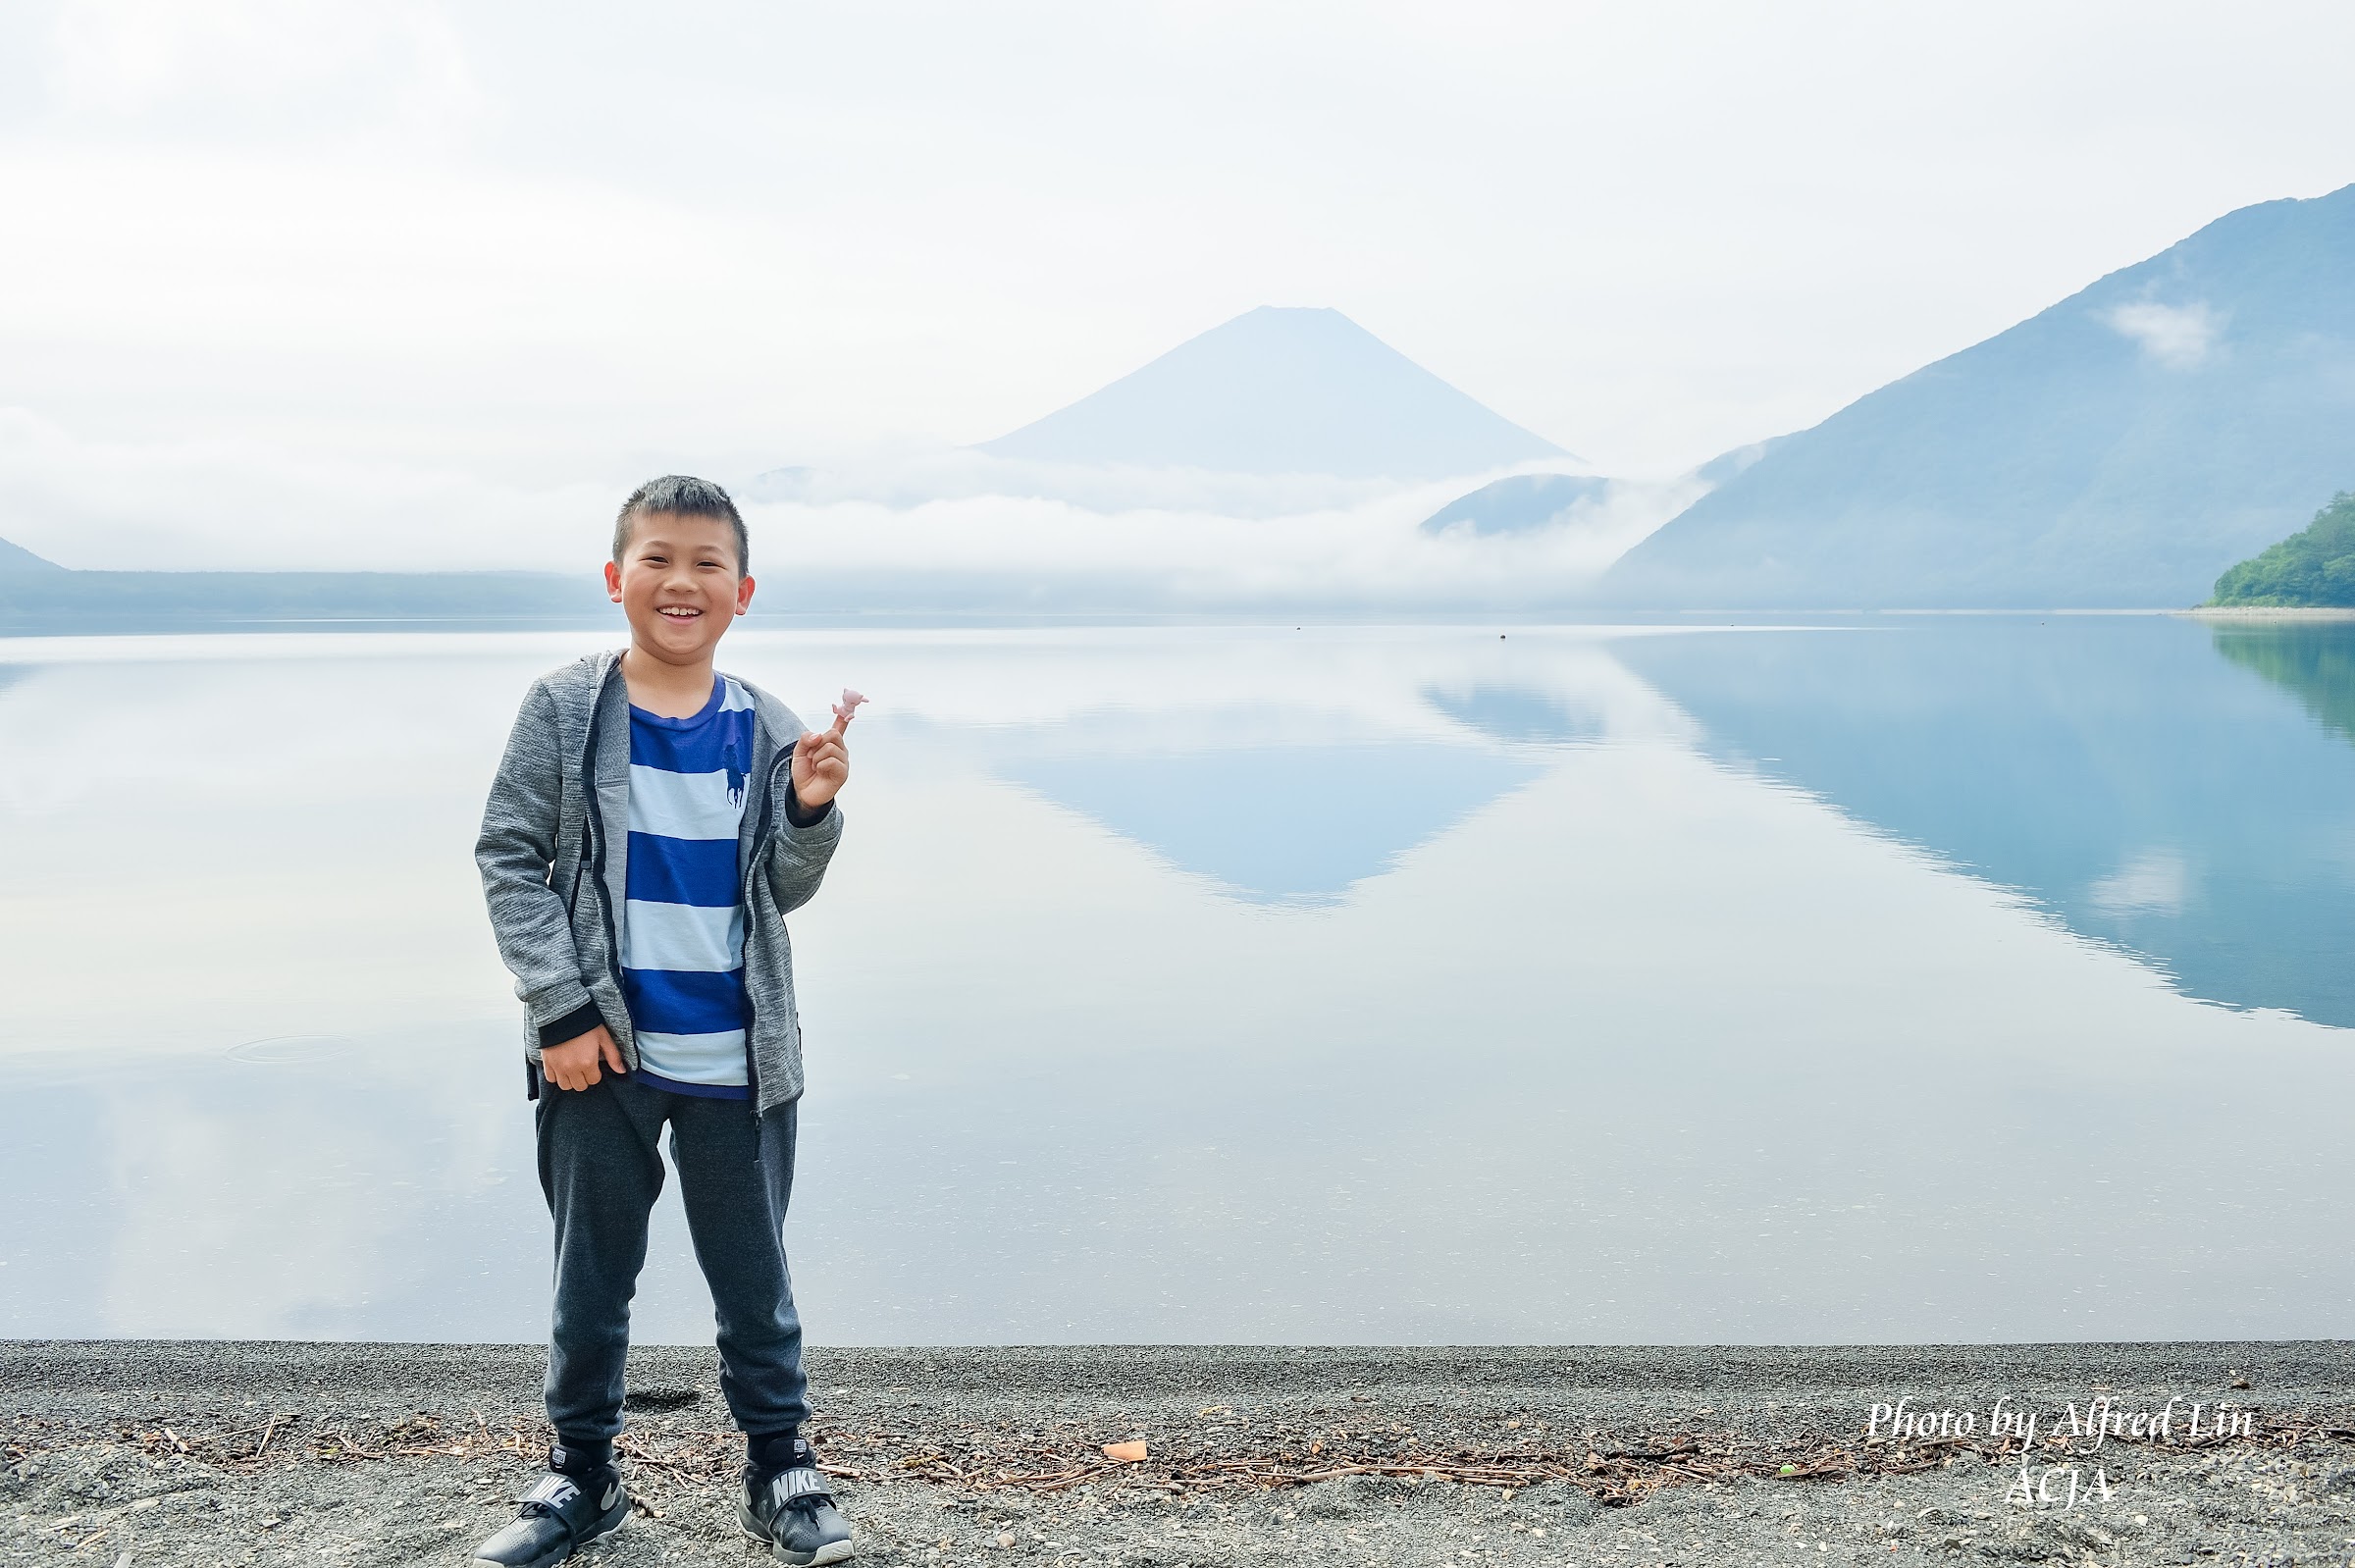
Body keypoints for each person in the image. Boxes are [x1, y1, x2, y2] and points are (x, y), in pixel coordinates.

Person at [471, 475, 857, 1567]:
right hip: (601, 1054)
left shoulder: (770, 725)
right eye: (657, 558)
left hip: (742, 1055)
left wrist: (811, 807)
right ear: (615, 579)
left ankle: (781, 1466)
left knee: (754, 1273)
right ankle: (581, 1474)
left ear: (743, 590)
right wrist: (560, 1010)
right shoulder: (564, 708)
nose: (680, 581)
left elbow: (781, 889)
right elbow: (510, 857)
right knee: (589, 1274)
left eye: (705, 563)